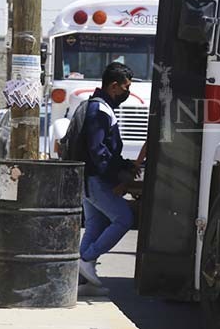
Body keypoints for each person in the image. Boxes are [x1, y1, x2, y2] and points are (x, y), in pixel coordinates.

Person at [78, 62, 140, 288]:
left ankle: (78, 278)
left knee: (96, 223)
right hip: (95, 179)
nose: (127, 92)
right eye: (126, 87)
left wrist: (124, 164)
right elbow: (98, 150)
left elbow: (105, 150)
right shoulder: (100, 110)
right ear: (114, 86)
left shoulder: (99, 107)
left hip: (88, 178)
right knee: (123, 219)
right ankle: (86, 260)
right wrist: (116, 176)